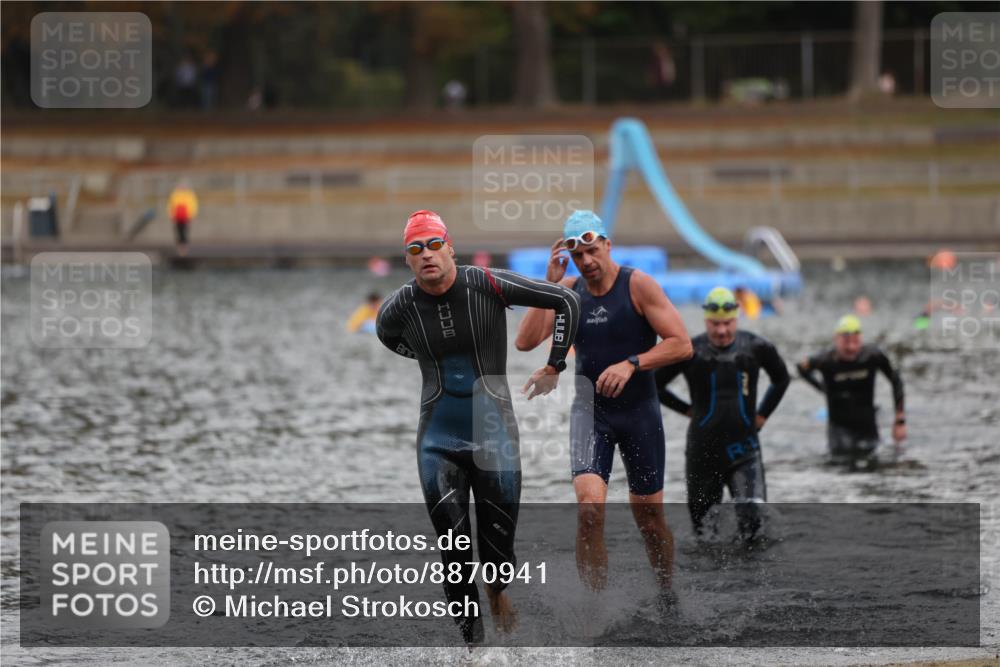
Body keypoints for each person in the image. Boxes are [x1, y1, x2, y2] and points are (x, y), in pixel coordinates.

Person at [376, 210, 581, 644]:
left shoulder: (486, 283)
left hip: (494, 433)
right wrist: (429, 358)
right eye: (416, 249)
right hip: (437, 437)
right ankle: (475, 649)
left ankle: (497, 591)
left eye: (434, 245)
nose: (427, 255)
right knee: (453, 550)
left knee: (498, 552)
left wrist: (555, 365)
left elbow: (566, 301)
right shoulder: (399, 306)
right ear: (408, 260)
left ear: (450, 247)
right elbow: (386, 335)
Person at [514, 210, 692, 594]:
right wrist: (549, 286)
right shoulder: (569, 293)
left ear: (608, 244)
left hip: (639, 414)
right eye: (579, 256)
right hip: (590, 414)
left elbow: (682, 344)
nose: (587, 262)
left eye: (592, 251)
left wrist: (633, 364)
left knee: (649, 519)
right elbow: (525, 342)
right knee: (589, 510)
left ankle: (666, 590)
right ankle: (595, 610)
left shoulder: (638, 286)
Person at [656, 287, 790, 544]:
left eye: (727, 324)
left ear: (736, 318)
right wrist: (686, 409)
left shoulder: (756, 347)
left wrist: (763, 415)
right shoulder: (690, 350)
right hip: (703, 453)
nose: (721, 331)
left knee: (754, 524)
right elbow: (655, 384)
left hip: (745, 450)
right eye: (715, 324)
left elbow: (782, 379)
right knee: (705, 535)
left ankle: (751, 582)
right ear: (706, 320)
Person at [796, 314, 906, 469]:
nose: (851, 348)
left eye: (855, 341)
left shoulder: (873, 356)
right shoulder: (825, 359)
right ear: (836, 339)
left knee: (872, 466)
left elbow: (896, 380)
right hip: (839, 428)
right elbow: (801, 368)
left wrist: (899, 420)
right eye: (846, 342)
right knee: (841, 467)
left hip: (867, 426)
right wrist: (822, 388)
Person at [167, 181, 198, 257]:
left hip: (186, 216)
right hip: (177, 216)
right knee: (178, 231)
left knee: (185, 231)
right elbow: (171, 205)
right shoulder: (175, 194)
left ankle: (184, 249)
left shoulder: (190, 194)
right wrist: (171, 215)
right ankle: (179, 248)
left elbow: (193, 205)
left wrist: (191, 216)